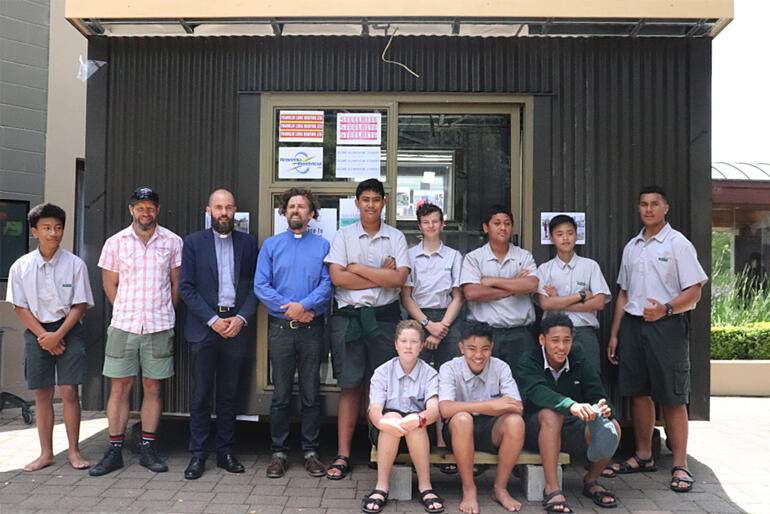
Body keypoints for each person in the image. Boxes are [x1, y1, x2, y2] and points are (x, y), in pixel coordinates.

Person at [605, 185, 707, 493]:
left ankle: (680, 465)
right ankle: (644, 455)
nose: (648, 209)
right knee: (638, 392)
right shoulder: (632, 247)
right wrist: (614, 334)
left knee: (673, 396)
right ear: (639, 209)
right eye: (643, 204)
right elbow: (624, 293)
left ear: (666, 208)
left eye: (654, 204)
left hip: (667, 326)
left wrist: (666, 308)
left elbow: (695, 291)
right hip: (633, 327)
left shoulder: (679, 244)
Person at [90, 187, 183, 476]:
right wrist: (128, 310)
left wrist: (162, 309)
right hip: (124, 326)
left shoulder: (172, 242)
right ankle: (114, 449)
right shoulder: (115, 243)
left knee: (153, 387)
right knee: (120, 388)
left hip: (159, 325)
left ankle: (147, 447)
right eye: (140, 207)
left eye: (151, 208)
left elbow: (176, 285)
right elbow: (109, 285)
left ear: (157, 210)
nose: (146, 212)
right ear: (131, 210)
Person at [324, 178, 410, 480]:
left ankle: (379, 449)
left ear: (384, 203)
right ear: (357, 203)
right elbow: (338, 278)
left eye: (376, 199)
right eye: (366, 199)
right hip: (349, 319)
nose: (371, 204)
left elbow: (398, 280)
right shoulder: (343, 235)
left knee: (382, 388)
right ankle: (343, 454)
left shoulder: (396, 237)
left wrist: (357, 268)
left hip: (384, 320)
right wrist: (380, 275)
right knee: (349, 388)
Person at [6, 203, 94, 472]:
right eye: (46, 228)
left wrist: (58, 335)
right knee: (43, 393)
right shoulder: (21, 267)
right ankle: (46, 453)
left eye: (57, 228)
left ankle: (74, 451)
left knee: (69, 391)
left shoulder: (75, 264)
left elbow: (79, 305)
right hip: (37, 331)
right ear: (35, 231)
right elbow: (20, 306)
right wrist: (45, 336)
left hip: (68, 329)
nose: (53, 233)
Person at [179, 189, 258, 479]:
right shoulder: (193, 243)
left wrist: (240, 318)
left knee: (228, 395)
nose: (223, 213)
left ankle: (225, 451)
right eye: (218, 208)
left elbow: (254, 288)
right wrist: (212, 320)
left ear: (235, 210)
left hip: (236, 327)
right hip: (204, 327)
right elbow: (185, 287)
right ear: (209, 210)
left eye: (228, 208)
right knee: (201, 396)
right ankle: (198, 455)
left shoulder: (248, 244)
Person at [254, 188, 332, 478]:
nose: (296, 210)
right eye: (291, 206)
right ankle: (279, 453)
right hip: (281, 330)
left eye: (302, 206)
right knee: (281, 395)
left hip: (313, 330)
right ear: (284, 212)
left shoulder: (323, 245)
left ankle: (311, 452)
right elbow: (261, 286)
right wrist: (292, 310)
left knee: (312, 393)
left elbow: (328, 284)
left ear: (312, 214)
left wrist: (304, 305)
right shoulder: (271, 246)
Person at [517, 314, 621, 512]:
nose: (561, 347)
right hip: (533, 431)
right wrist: (571, 405)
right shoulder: (528, 359)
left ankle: (591, 480)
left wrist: (605, 408)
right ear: (542, 340)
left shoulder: (580, 360)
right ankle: (552, 489)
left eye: (567, 340)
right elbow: (538, 392)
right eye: (555, 340)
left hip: (570, 428)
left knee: (613, 426)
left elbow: (598, 395)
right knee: (551, 414)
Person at [400, 202, 463, 473]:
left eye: (436, 221)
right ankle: (418, 442)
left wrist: (441, 327)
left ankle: (445, 440)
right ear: (419, 226)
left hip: (448, 319)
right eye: (426, 222)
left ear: (442, 224)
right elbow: (406, 296)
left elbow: (458, 296)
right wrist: (427, 325)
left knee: (449, 382)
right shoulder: (410, 256)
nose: (431, 226)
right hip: (419, 319)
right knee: (418, 383)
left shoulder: (454, 256)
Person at [438, 323, 526, 514]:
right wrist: (491, 406)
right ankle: (469, 489)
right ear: (461, 347)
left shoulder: (501, 367)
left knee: (515, 422)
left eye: (485, 349)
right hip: (457, 430)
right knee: (462, 418)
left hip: (490, 430)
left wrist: (488, 409)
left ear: (491, 347)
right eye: (472, 349)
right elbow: (445, 409)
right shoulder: (449, 368)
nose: (478, 355)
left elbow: (517, 407)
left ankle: (500, 488)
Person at [363, 320, 443, 514]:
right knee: (390, 416)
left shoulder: (430, 374)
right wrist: (383, 422)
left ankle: (425, 486)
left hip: (419, 435)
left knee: (415, 422)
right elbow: (374, 409)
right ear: (396, 344)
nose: (408, 346)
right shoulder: (382, 372)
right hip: (387, 435)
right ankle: (381, 486)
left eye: (414, 341)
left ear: (422, 345)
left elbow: (434, 410)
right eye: (404, 341)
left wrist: (418, 419)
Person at [460, 205, 538, 371]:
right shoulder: (474, 258)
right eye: (497, 223)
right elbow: (472, 293)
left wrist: (491, 281)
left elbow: (531, 284)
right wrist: (514, 286)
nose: (503, 228)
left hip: (520, 334)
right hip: (485, 335)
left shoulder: (524, 256)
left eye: (507, 223)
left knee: (522, 385)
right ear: (486, 227)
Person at [536, 215, 611, 370]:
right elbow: (545, 304)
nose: (565, 238)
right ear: (551, 238)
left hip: (584, 333)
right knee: (556, 381)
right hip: (555, 334)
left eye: (570, 233)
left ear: (576, 235)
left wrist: (559, 301)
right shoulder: (544, 269)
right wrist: (581, 296)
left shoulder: (590, 266)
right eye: (559, 234)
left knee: (589, 383)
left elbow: (599, 302)